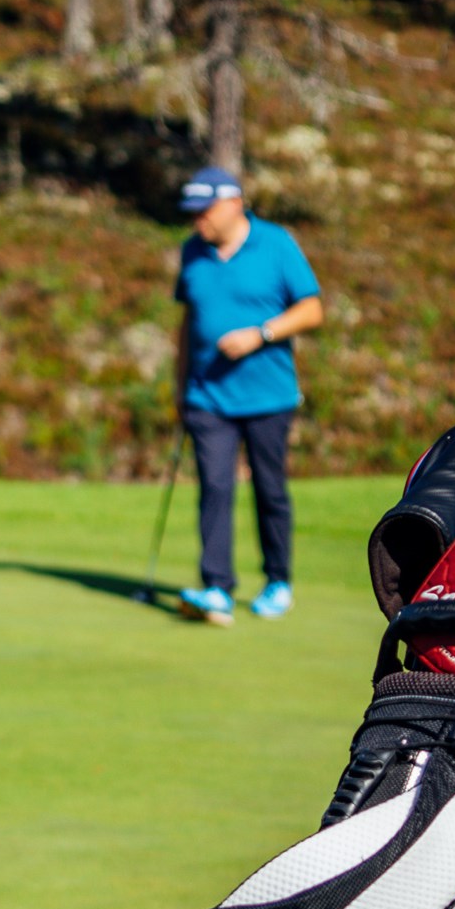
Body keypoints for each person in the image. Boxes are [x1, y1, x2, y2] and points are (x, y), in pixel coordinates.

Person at [169, 166, 325, 625]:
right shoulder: (192, 251)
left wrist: (261, 334)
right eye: (193, 212)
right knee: (214, 488)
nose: (198, 219)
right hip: (206, 394)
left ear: (234, 203)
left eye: (205, 210)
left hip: (268, 396)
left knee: (269, 489)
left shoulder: (276, 244)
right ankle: (216, 586)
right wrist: (179, 387)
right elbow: (187, 322)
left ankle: (278, 580)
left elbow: (311, 309)